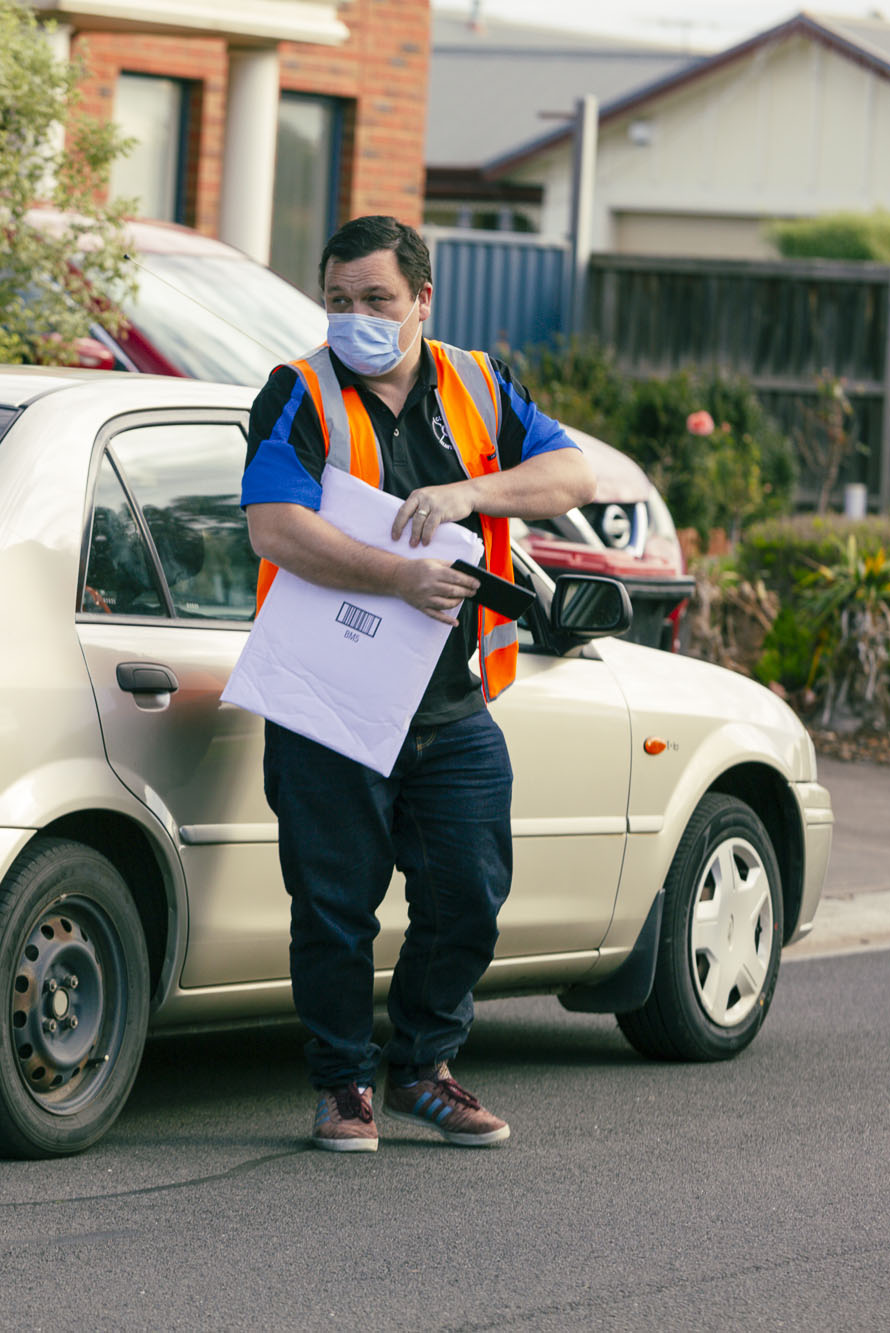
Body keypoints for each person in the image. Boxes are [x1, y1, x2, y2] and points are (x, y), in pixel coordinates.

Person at [240, 216, 596, 1152]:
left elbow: (570, 473)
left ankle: (426, 1070)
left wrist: (472, 496)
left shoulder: (479, 381)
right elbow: (274, 527)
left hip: (448, 702)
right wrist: (396, 574)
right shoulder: (297, 393)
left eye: (377, 301)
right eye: (339, 301)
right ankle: (343, 1084)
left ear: (423, 301)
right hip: (329, 699)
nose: (354, 318)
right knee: (333, 903)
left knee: (470, 890)